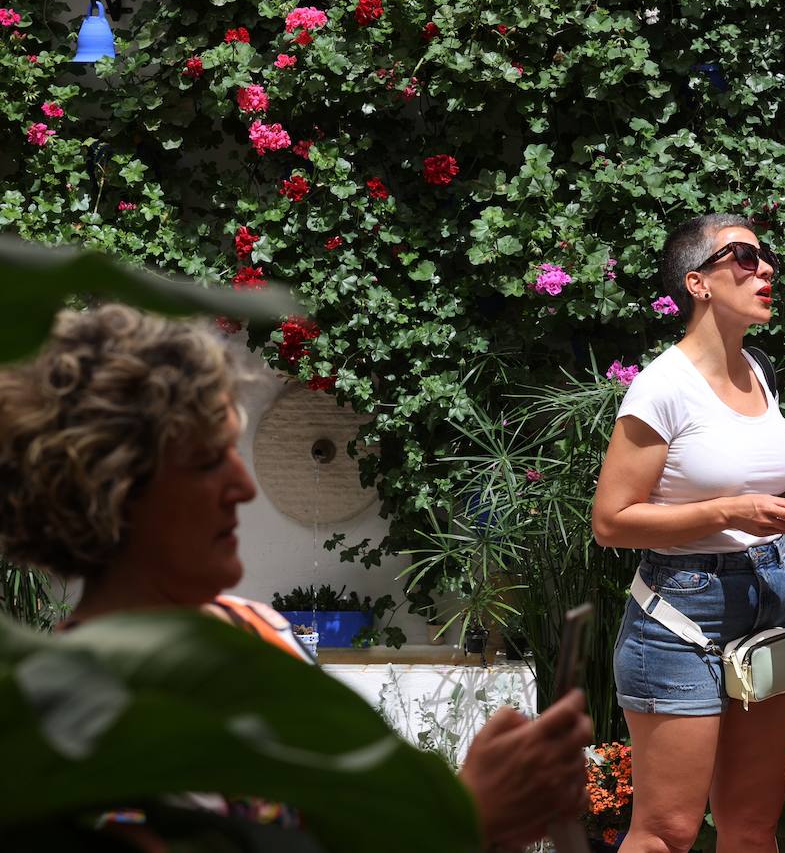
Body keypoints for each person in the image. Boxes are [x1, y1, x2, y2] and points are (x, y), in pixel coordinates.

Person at [0, 303, 591, 851]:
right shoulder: (76, 727)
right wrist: (465, 820)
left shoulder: (259, 631)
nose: (243, 487)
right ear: (116, 493)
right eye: (208, 461)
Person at [591, 214, 785, 853]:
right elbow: (612, 521)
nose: (764, 271)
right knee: (666, 833)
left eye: (766, 259)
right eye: (743, 258)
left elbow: (746, 481)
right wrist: (729, 513)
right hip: (682, 609)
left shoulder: (757, 371)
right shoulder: (662, 388)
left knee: (753, 828)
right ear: (697, 282)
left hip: (768, 596)